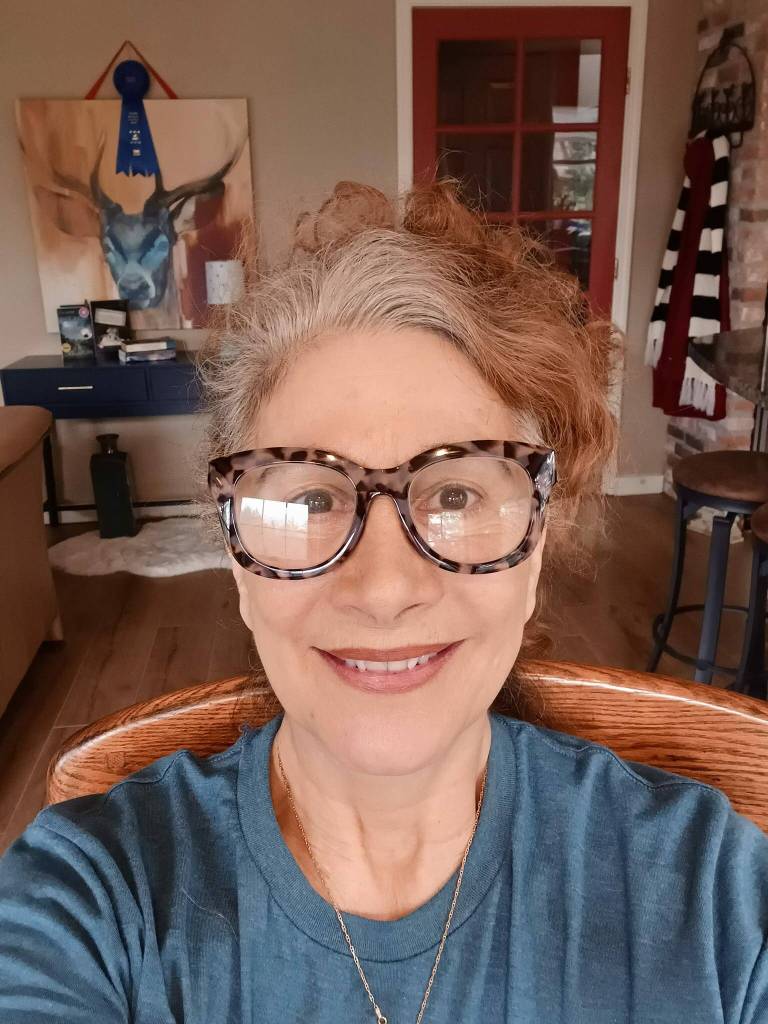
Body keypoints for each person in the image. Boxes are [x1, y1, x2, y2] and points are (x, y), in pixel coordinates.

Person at [0, 179, 766, 1023]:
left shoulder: (714, 896)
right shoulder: (95, 896)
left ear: (538, 546)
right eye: (311, 499)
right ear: (238, 563)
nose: (385, 589)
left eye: (456, 495)